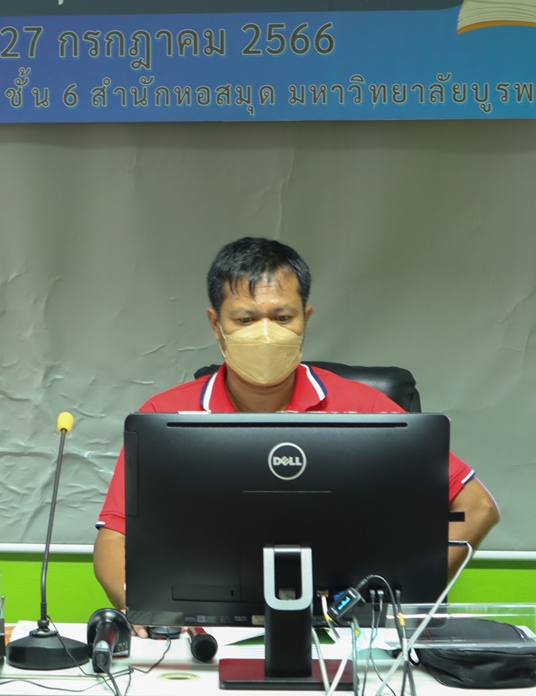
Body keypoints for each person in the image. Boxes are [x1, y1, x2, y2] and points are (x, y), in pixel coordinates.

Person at [92, 236, 500, 629]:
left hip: (347, 634)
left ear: (305, 318)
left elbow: (478, 507)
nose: (265, 333)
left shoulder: (367, 407)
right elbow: (114, 540)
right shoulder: (163, 417)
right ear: (216, 324)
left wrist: (402, 596)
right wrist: (148, 610)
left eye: (282, 317)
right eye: (245, 319)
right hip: (208, 632)